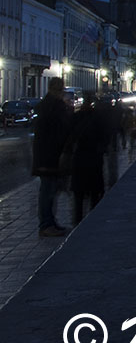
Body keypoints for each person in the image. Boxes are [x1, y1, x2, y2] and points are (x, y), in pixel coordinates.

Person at [32, 78, 72, 237]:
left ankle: (49, 222)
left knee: (49, 190)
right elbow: (58, 131)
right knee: (48, 191)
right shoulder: (53, 107)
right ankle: (46, 224)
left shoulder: (47, 106)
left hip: (46, 155)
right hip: (49, 156)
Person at [70, 93, 107, 225]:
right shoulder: (98, 118)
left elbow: (70, 138)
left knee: (79, 196)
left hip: (80, 159)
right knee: (94, 193)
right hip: (93, 159)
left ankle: (77, 222)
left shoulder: (76, 117)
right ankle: (92, 221)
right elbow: (104, 137)